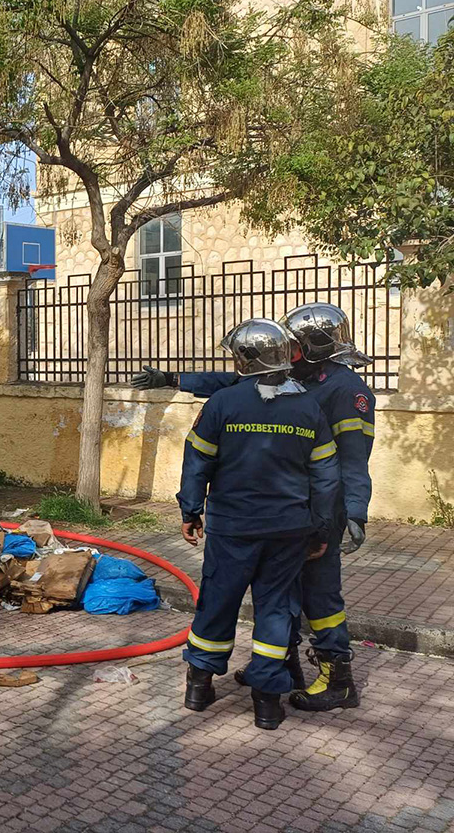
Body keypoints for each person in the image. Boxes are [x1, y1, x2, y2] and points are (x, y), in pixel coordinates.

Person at [133, 303, 371, 710]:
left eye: (296, 346)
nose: (289, 354)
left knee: (318, 595)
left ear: (314, 346)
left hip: (322, 510)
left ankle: (338, 678)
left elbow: (350, 461)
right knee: (282, 598)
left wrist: (350, 515)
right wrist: (175, 379)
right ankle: (280, 671)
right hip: (294, 515)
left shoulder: (347, 390)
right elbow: (239, 380)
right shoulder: (301, 380)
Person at [177, 319, 340, 729]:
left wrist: (190, 510)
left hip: (233, 527)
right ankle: (267, 703)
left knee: (218, 599)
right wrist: (321, 528)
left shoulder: (223, 404)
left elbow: (198, 461)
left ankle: (198, 687)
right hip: (288, 532)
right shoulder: (308, 408)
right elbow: (326, 476)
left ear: (246, 359)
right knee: (275, 610)